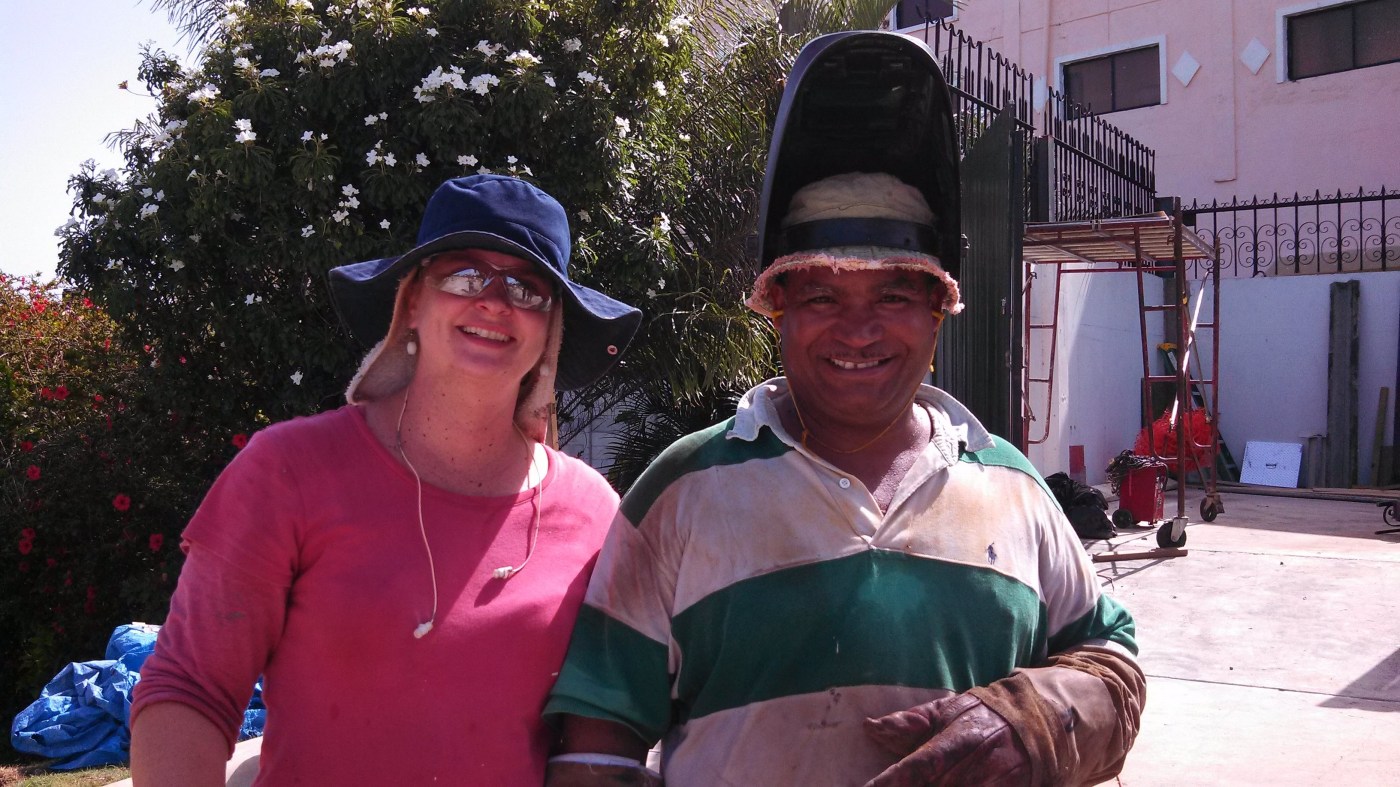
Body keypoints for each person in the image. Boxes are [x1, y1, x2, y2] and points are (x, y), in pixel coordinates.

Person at [543, 33, 1144, 787]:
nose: (858, 331)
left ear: (938, 311)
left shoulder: (1014, 488)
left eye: (893, 294)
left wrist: (1039, 720)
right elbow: (596, 744)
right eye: (822, 295)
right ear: (779, 310)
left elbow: (1111, 663)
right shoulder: (683, 488)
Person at [129, 174, 642, 786]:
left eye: (527, 289)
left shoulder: (593, 512)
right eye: (464, 276)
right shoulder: (289, 470)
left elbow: (602, 732)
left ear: (550, 329)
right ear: (412, 302)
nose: (494, 301)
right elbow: (191, 687)